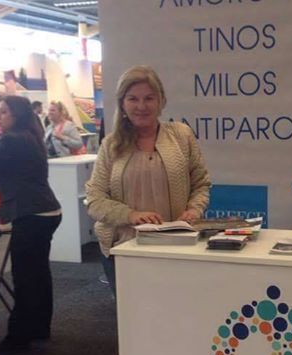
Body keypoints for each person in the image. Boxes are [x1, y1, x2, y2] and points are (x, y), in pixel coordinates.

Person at [86, 65, 211, 292]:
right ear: (122, 103)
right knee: (132, 313)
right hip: (124, 249)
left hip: (176, 247)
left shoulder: (182, 136)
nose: (141, 106)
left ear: (161, 101)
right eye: (133, 99)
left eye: (149, 98)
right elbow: (95, 200)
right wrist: (130, 215)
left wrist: (194, 209)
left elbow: (201, 184)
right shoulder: (110, 145)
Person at [0, 96, 62, 352]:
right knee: (39, 274)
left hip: (31, 215)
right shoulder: (30, 137)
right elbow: (10, 177)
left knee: (25, 277)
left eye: (4, 111)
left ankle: (18, 338)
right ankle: (39, 327)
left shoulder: (12, 139)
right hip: (47, 211)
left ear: (17, 114)